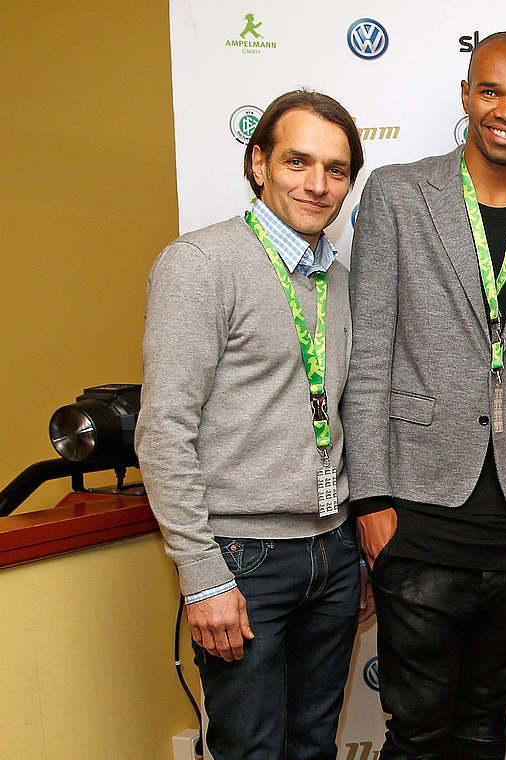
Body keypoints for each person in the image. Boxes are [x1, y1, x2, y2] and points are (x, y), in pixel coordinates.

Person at [344, 32, 506, 760]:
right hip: (417, 508)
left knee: (486, 719)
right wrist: (371, 501)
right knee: (418, 731)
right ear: (465, 96)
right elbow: (370, 356)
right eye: (491, 90)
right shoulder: (397, 193)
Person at [136, 89, 366, 759]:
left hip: (330, 551)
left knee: (312, 747)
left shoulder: (339, 282)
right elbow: (165, 429)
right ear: (259, 161)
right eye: (298, 162)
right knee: (251, 752)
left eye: (337, 169)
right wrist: (203, 574)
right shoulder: (200, 264)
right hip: (243, 559)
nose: (318, 185)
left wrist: (347, 550)